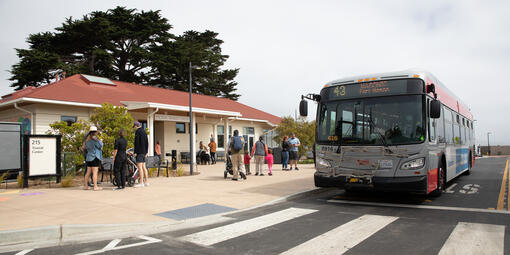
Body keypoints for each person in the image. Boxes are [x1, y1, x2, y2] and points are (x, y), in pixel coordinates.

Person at [83, 126, 103, 191]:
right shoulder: (95, 140)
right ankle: (95, 186)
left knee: (88, 173)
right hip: (95, 157)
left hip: (88, 157)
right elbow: (100, 145)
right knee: (95, 172)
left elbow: (85, 148)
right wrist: (101, 141)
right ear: (95, 132)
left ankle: (86, 186)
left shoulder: (87, 140)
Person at [134, 121, 149, 187]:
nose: (134, 128)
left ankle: (141, 183)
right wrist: (146, 152)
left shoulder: (138, 132)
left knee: (140, 168)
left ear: (136, 126)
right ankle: (146, 182)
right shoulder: (144, 131)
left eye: (134, 127)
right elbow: (147, 142)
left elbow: (136, 143)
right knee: (144, 167)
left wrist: (135, 152)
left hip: (139, 152)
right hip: (144, 152)